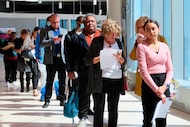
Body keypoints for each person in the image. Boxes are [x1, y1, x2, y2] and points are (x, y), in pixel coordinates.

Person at [86, 19, 126, 127]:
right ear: (105, 33)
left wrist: (119, 58)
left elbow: (124, 62)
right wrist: (99, 58)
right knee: (98, 107)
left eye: (116, 33)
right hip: (100, 79)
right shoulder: (97, 42)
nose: (114, 36)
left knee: (113, 108)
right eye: (111, 34)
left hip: (116, 79)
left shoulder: (118, 42)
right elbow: (88, 60)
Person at [64, 14, 101, 127]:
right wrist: (70, 70)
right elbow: (70, 55)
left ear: (96, 23)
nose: (90, 23)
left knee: (99, 95)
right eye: (88, 21)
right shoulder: (77, 37)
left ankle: (98, 117)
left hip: (100, 71)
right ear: (84, 24)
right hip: (84, 70)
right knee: (84, 94)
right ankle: (83, 116)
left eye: (92, 21)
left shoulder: (102, 36)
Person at [136, 19, 173, 127]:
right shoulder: (141, 47)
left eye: (153, 29)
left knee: (161, 118)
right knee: (148, 118)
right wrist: (156, 89)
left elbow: (170, 69)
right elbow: (143, 71)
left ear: (158, 29)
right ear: (145, 32)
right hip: (149, 84)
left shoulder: (165, 46)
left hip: (163, 83)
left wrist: (164, 86)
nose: (151, 32)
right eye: (148, 29)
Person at [130, 16, 168, 96]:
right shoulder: (140, 43)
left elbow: (166, 57)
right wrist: (138, 44)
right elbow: (133, 57)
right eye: (138, 27)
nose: (140, 29)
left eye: (142, 27)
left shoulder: (160, 40)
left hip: (160, 76)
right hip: (144, 76)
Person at [40, 14, 68, 108]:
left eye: (58, 22)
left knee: (62, 80)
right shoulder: (45, 31)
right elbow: (42, 43)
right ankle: (47, 99)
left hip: (62, 59)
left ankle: (62, 99)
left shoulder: (64, 31)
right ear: (50, 22)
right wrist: (53, 41)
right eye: (54, 22)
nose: (56, 24)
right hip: (51, 59)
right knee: (49, 80)